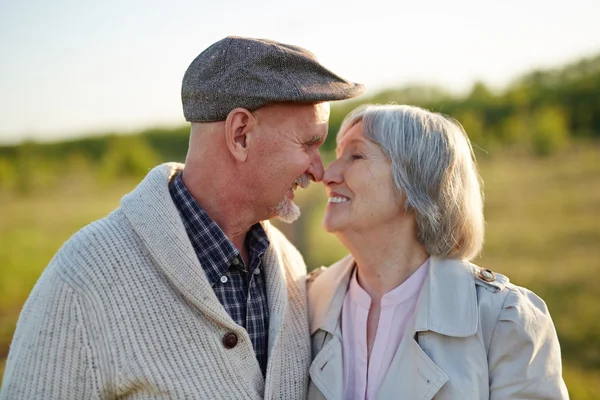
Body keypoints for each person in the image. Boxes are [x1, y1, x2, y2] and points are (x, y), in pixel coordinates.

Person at [0, 36, 364, 399]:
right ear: (240, 135)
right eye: (307, 144)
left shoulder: (289, 266)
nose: (319, 170)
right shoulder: (85, 277)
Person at [307, 104, 568, 399]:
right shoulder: (306, 302)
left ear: (415, 181)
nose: (327, 175)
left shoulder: (505, 321)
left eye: (355, 155)